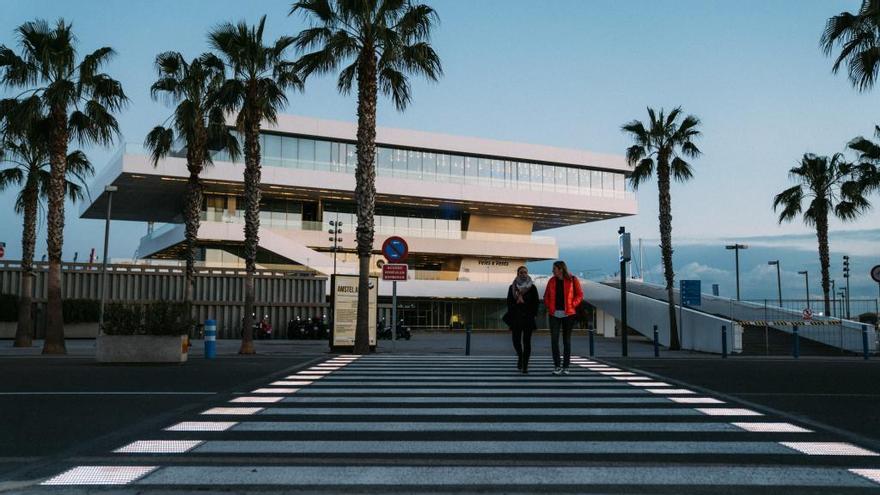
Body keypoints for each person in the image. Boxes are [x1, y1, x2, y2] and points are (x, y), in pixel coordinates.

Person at [543, 260, 583, 375]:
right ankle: (557, 366)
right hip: (554, 315)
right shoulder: (551, 281)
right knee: (554, 341)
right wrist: (549, 307)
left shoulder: (573, 280)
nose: (552, 270)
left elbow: (580, 295)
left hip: (568, 315)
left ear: (560, 269)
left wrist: (572, 305)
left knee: (567, 341)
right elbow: (546, 296)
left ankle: (566, 366)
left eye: (554, 268)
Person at [505, 266, 539, 373]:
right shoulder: (512, 287)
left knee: (527, 342)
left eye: (525, 272)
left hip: (528, 317)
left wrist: (530, 311)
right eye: (521, 272)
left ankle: (525, 365)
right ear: (517, 274)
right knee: (515, 341)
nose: (523, 274)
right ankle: (520, 356)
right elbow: (509, 302)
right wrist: (517, 303)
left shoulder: (532, 287)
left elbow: (536, 303)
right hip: (516, 317)